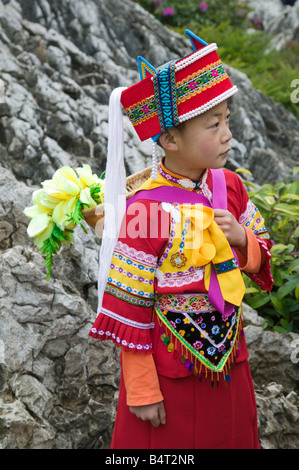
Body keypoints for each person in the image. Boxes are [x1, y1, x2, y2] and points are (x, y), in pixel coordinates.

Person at [89, 30, 274, 449]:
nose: (228, 134)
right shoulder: (147, 211)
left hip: (229, 363)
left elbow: (264, 256)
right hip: (168, 375)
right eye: (213, 125)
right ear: (169, 140)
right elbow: (129, 305)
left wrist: (241, 238)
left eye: (227, 120)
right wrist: (140, 389)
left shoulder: (231, 187)